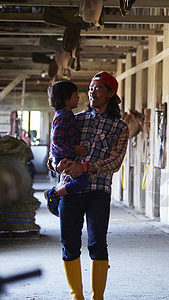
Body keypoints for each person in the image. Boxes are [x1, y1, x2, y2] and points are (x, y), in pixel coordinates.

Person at [48, 71, 129, 300]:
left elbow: (114, 162)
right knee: (69, 244)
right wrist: (57, 164)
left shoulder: (119, 127)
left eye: (98, 88)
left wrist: (84, 168)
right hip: (70, 190)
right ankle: (76, 295)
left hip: (98, 192)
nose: (92, 92)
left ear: (111, 94)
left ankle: (97, 297)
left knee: (97, 244)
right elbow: (53, 153)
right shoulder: (74, 118)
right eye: (91, 88)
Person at [45, 80, 88, 217]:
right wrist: (73, 149)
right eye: (76, 95)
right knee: (82, 182)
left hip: (65, 156)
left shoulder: (67, 115)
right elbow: (57, 140)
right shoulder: (63, 116)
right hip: (65, 157)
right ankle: (54, 194)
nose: (79, 98)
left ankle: (56, 192)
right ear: (66, 99)